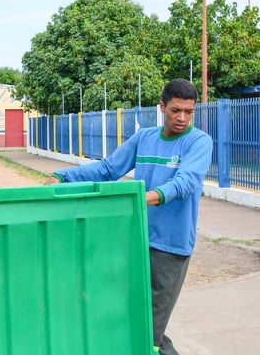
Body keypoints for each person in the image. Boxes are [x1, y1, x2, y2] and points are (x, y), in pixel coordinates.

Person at [44, 79, 213, 355]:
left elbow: (185, 184)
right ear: (162, 107)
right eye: (175, 110)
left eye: (189, 111)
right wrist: (64, 176)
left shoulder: (199, 142)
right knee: (133, 320)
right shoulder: (145, 138)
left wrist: (137, 198)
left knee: (150, 333)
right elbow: (108, 169)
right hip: (137, 239)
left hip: (171, 247)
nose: (182, 118)